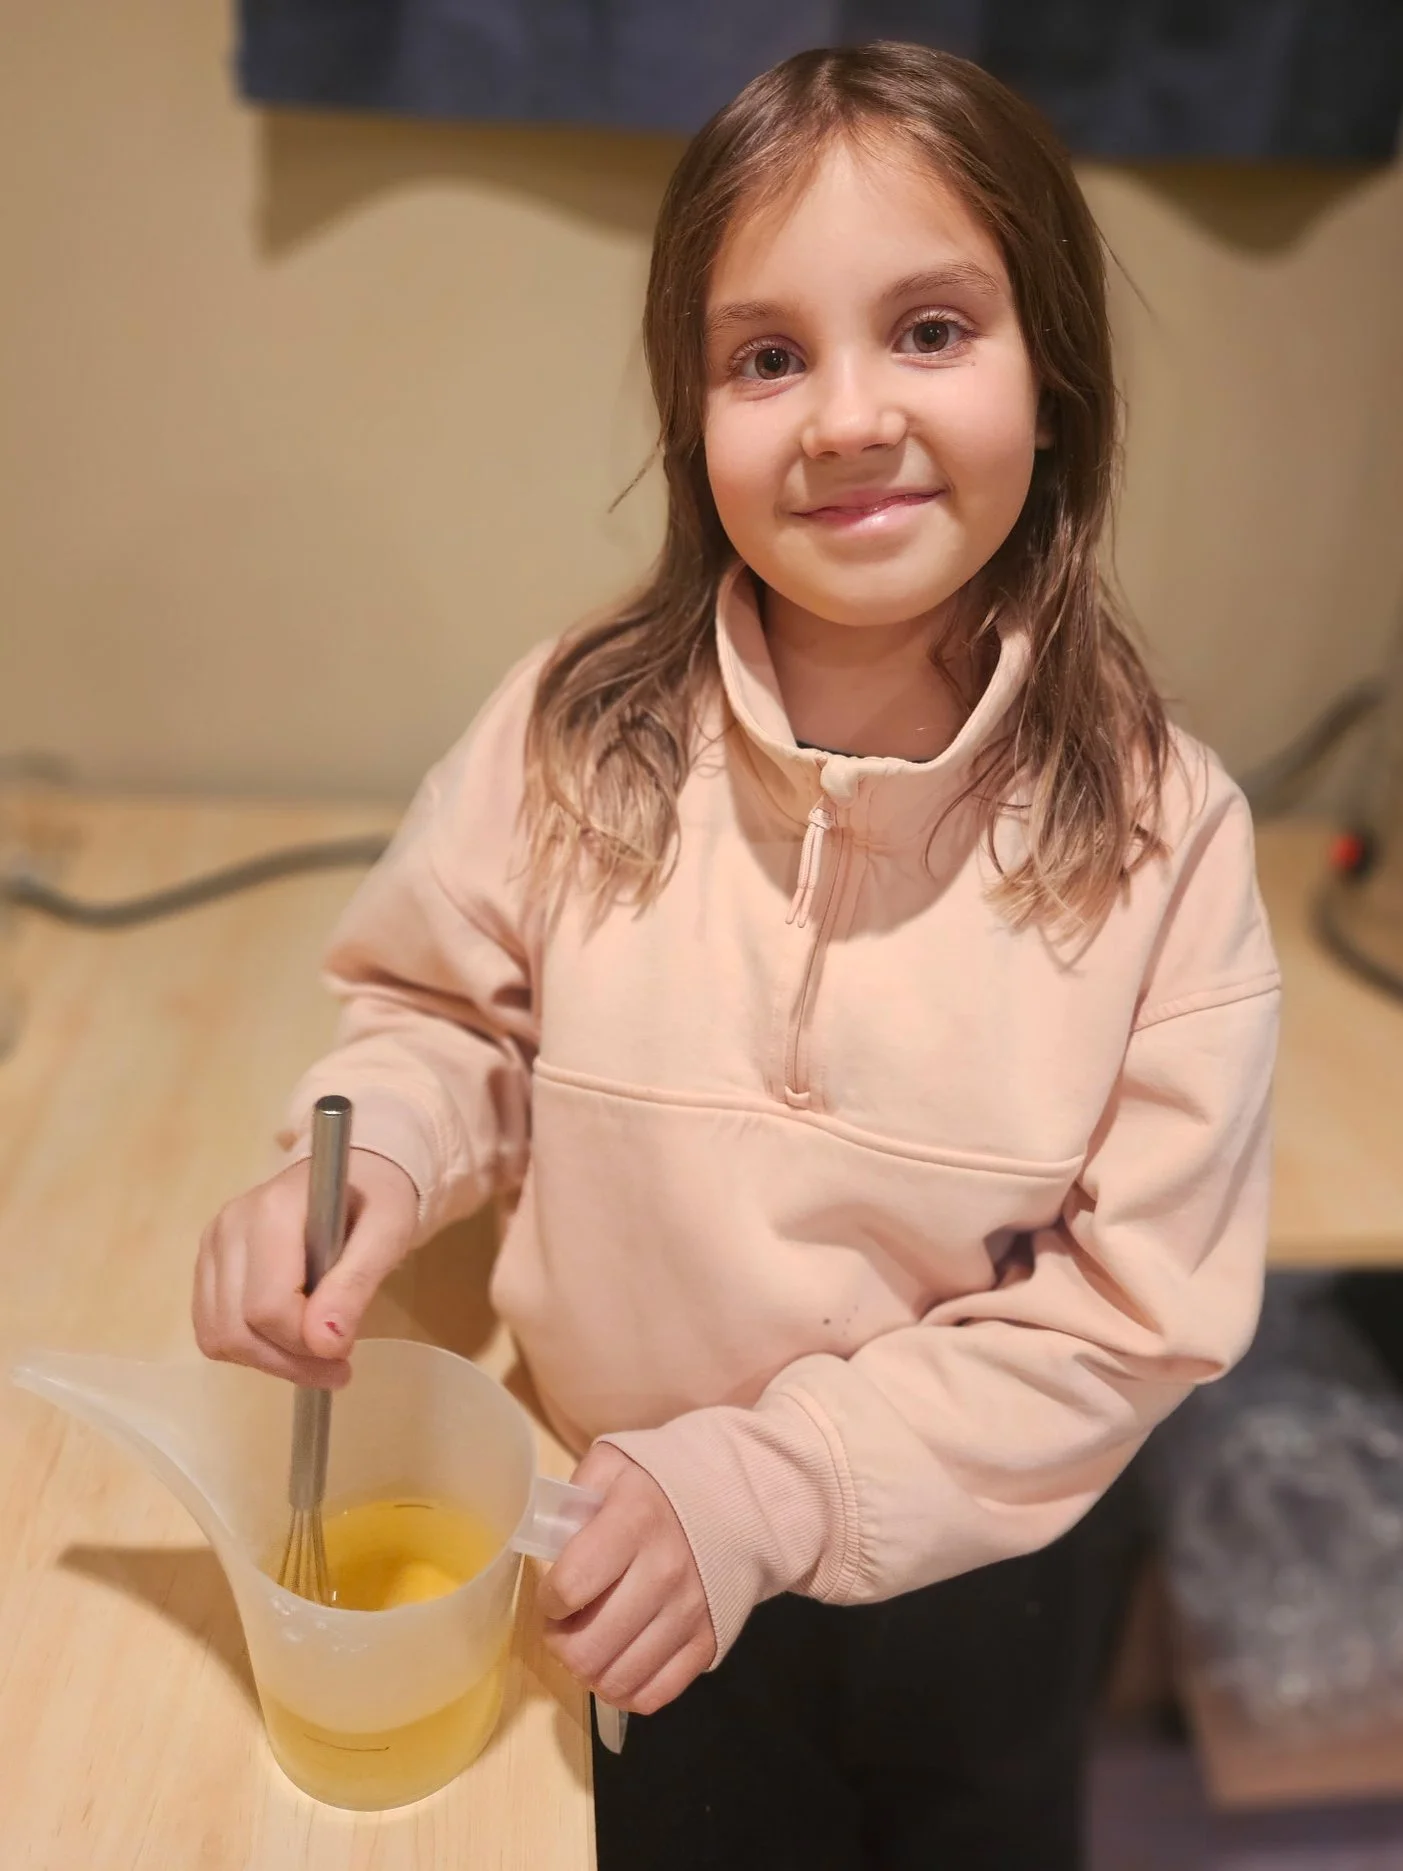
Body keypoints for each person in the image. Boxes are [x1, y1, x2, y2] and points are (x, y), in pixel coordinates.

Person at [192, 41, 1280, 1871]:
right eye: (767, 357)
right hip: (610, 1540)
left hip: (972, 1572)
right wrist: (361, 1150)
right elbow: (441, 1015)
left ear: (1056, 374)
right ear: (692, 409)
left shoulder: (1171, 840)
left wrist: (775, 1483)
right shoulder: (569, 727)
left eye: (928, 328)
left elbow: (1131, 1311)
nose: (845, 416)